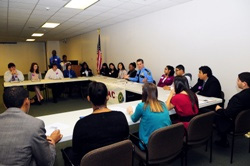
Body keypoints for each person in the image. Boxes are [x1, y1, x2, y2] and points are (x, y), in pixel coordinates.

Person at [65, 81, 129, 165]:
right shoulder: (121, 116)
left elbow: (76, 151)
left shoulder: (81, 124)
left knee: (66, 151)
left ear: (88, 98)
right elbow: (125, 138)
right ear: (108, 97)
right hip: (118, 161)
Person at [0, 86, 62, 165]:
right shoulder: (35, 124)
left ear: (4, 105)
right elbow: (47, 162)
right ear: (27, 102)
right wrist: (52, 141)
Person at [127, 83, 171, 150]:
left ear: (144, 93)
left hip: (148, 145)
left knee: (130, 138)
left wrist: (130, 112)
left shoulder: (142, 106)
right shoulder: (163, 104)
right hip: (164, 141)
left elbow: (133, 119)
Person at [214, 72, 250, 147]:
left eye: (238, 80)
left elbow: (228, 114)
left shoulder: (239, 98)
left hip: (233, 123)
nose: (237, 82)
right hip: (245, 123)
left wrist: (219, 109)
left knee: (211, 114)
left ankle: (222, 140)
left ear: (244, 83)